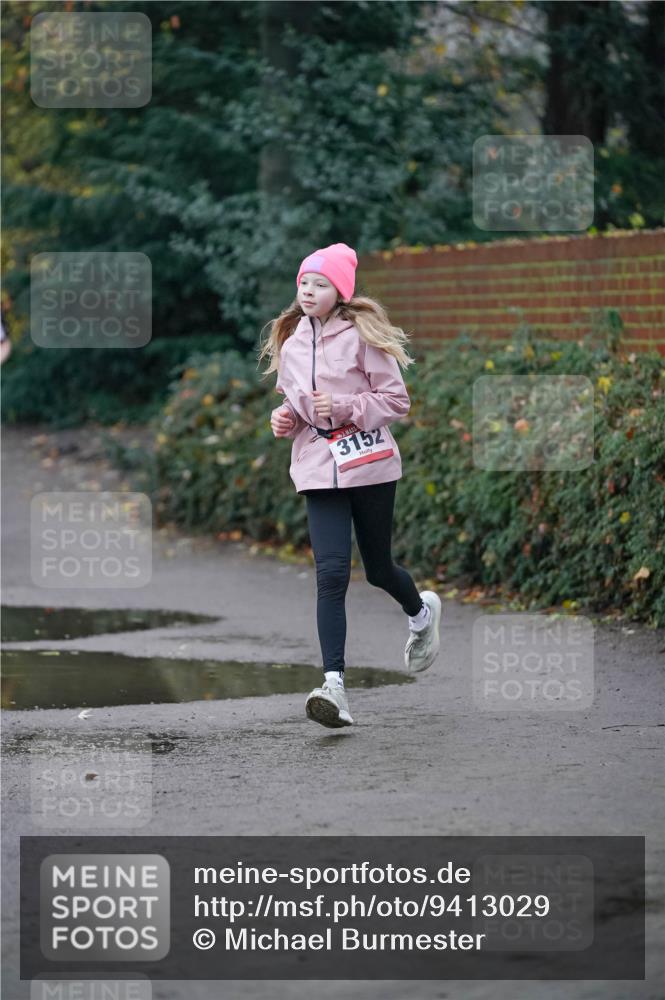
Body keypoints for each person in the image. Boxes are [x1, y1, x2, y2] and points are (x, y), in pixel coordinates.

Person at [258, 243, 441, 729]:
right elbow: (296, 404)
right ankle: (333, 686)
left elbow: (396, 400)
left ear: (340, 291)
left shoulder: (361, 335)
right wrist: (285, 418)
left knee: (378, 569)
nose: (308, 291)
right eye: (303, 283)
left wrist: (343, 408)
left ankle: (420, 612)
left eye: (319, 284)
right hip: (318, 468)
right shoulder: (293, 341)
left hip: (371, 465)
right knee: (331, 573)